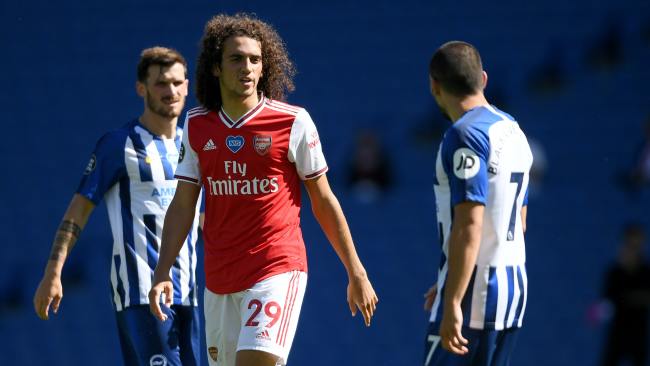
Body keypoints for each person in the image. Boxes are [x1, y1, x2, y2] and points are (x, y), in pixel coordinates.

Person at [148, 13, 379, 366]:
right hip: (219, 279)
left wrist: (355, 270)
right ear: (215, 67)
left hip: (275, 268)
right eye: (236, 58)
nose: (247, 67)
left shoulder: (292, 122)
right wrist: (163, 271)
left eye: (255, 59)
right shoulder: (196, 125)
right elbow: (183, 204)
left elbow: (323, 199)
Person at [33, 47, 202, 366]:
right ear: (142, 88)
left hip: (189, 296)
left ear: (188, 86)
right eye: (161, 84)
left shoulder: (191, 146)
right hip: (141, 293)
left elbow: (198, 218)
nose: (171, 91)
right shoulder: (118, 144)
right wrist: (53, 271)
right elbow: (78, 211)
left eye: (178, 83)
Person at [422, 41, 533, 365]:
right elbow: (519, 222)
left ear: (434, 86)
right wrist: (450, 277)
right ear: (483, 79)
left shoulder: (465, 135)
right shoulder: (512, 129)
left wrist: (454, 297)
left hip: (475, 297)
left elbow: (471, 224)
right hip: (512, 292)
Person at [599, 223, 650, 366]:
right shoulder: (615, 273)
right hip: (617, 335)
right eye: (630, 244)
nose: (633, 250)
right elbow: (607, 302)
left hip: (639, 336)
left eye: (637, 246)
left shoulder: (646, 273)